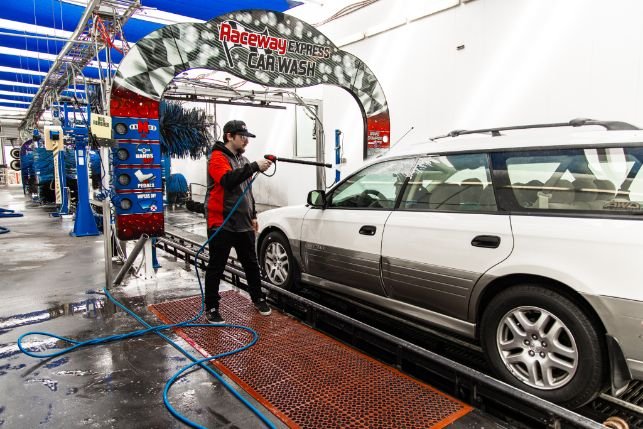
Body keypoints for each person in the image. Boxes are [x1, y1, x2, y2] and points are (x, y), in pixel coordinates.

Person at [203, 120, 273, 324]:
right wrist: (254, 166)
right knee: (216, 266)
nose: (246, 141)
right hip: (222, 222)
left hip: (243, 223)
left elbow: (247, 191)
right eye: (242, 137)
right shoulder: (217, 158)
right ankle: (212, 307)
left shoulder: (243, 160)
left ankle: (258, 298)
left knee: (251, 263)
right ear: (229, 136)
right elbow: (227, 180)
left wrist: (253, 215)